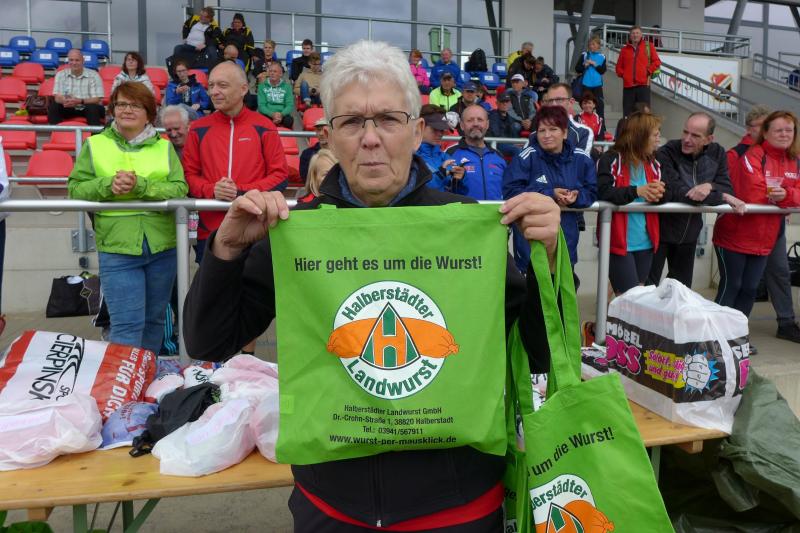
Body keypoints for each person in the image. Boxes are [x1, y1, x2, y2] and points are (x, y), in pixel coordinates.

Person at [183, 39, 560, 532]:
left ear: (417, 131)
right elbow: (208, 343)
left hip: (457, 508)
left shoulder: (465, 227)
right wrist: (227, 251)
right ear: (328, 136)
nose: (370, 138)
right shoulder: (297, 233)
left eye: (387, 119)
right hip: (331, 509)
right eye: (352, 122)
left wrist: (549, 261)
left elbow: (540, 353)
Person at [68, 81, 188, 353]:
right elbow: (76, 188)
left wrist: (141, 186)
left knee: (155, 322)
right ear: (112, 109)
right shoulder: (94, 144)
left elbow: (179, 188)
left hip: (162, 247)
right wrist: (108, 185)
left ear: (149, 113)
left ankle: (146, 375)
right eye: (121, 104)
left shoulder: (165, 147)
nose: (127, 110)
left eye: (135, 105)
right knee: (126, 326)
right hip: (118, 248)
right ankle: (125, 380)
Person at [183, 61, 288, 357]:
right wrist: (212, 190)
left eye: (222, 85)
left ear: (243, 89)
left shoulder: (263, 126)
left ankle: (246, 362)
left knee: (248, 300)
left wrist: (243, 193)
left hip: (253, 230)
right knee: (214, 298)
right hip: (211, 233)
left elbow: (280, 174)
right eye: (211, 85)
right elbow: (189, 176)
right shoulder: (198, 128)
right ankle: (215, 365)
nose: (214, 91)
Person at [713, 111, 800, 349]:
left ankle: (737, 338)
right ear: (766, 133)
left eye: (789, 130)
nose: (784, 134)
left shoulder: (794, 159)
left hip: (766, 238)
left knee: (750, 289)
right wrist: (785, 199)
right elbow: (752, 193)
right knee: (732, 286)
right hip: (735, 235)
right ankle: (715, 338)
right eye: (779, 130)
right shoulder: (753, 155)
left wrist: (786, 195)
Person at [649, 112, 742, 288]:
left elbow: (727, 187)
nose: (687, 139)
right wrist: (721, 196)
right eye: (685, 132)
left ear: (709, 139)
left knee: (681, 291)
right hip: (659, 232)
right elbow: (676, 191)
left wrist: (709, 186)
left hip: (689, 235)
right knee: (646, 290)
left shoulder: (717, 152)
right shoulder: (668, 151)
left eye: (695, 135)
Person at [504, 105, 597, 275]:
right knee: (532, 291)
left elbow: (592, 192)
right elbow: (511, 192)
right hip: (530, 246)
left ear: (565, 133)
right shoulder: (526, 157)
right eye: (542, 130)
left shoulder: (581, 159)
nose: (547, 135)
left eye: (553, 129)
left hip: (566, 243)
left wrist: (576, 197)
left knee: (563, 291)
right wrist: (549, 194)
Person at [597, 112, 666, 295]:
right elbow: (603, 191)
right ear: (640, 136)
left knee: (638, 298)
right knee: (629, 298)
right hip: (619, 243)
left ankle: (604, 314)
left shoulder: (654, 163)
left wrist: (660, 193)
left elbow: (665, 192)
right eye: (655, 134)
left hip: (646, 242)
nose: (658, 138)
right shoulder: (611, 159)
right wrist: (637, 191)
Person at [441, 105, 507, 199]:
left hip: (495, 209)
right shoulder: (450, 153)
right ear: (462, 125)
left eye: (480, 120)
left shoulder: (498, 156)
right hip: (462, 209)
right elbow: (441, 188)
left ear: (487, 124)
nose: (475, 124)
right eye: (470, 120)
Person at [48, 49, 105, 125]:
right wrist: (65, 101)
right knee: (54, 106)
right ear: (68, 61)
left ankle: (95, 133)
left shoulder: (94, 75)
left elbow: (97, 99)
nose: (74, 63)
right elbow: (57, 98)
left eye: (77, 60)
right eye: (71, 60)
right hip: (68, 107)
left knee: (92, 107)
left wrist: (80, 101)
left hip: (87, 106)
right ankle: (56, 131)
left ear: (83, 61)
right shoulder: (60, 74)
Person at [416, 104, 466, 189]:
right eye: (435, 129)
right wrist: (441, 174)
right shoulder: (409, 157)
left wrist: (459, 180)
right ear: (421, 126)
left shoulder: (446, 157)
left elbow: (459, 192)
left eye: (442, 129)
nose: (440, 134)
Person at [615, 25, 661, 117]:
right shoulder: (624, 50)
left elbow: (657, 62)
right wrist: (624, 75)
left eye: (637, 33)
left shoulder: (649, 46)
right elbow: (618, 67)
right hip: (628, 87)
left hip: (643, 86)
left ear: (641, 35)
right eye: (633, 33)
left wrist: (648, 71)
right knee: (628, 115)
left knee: (644, 115)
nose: (635, 35)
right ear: (630, 35)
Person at [540, 83, 593, 153]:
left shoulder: (583, 132)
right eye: (550, 101)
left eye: (559, 100)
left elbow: (580, 159)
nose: (553, 104)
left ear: (571, 102)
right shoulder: (537, 133)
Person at [574, 36, 606, 135]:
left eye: (594, 44)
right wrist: (585, 65)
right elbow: (577, 69)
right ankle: (583, 127)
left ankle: (602, 130)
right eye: (590, 44)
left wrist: (594, 64)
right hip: (586, 84)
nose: (591, 46)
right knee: (586, 106)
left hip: (597, 85)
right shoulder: (584, 55)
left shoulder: (602, 56)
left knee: (600, 107)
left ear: (598, 45)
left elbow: (602, 71)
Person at [258, 62, 294, 129]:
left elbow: (289, 105)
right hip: (267, 114)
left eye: (275, 71)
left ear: (280, 74)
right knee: (260, 120)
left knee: (289, 121)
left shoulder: (287, 87)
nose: (272, 73)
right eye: (270, 71)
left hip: (282, 114)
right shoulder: (261, 86)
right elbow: (261, 106)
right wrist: (272, 114)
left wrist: (281, 114)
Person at [489, 93, 522, 158]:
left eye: (507, 102)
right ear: (497, 103)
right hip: (497, 143)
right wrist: (513, 144)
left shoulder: (509, 117)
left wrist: (517, 142)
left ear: (509, 104)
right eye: (502, 102)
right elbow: (497, 135)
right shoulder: (493, 116)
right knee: (517, 150)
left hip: (508, 143)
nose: (505, 104)